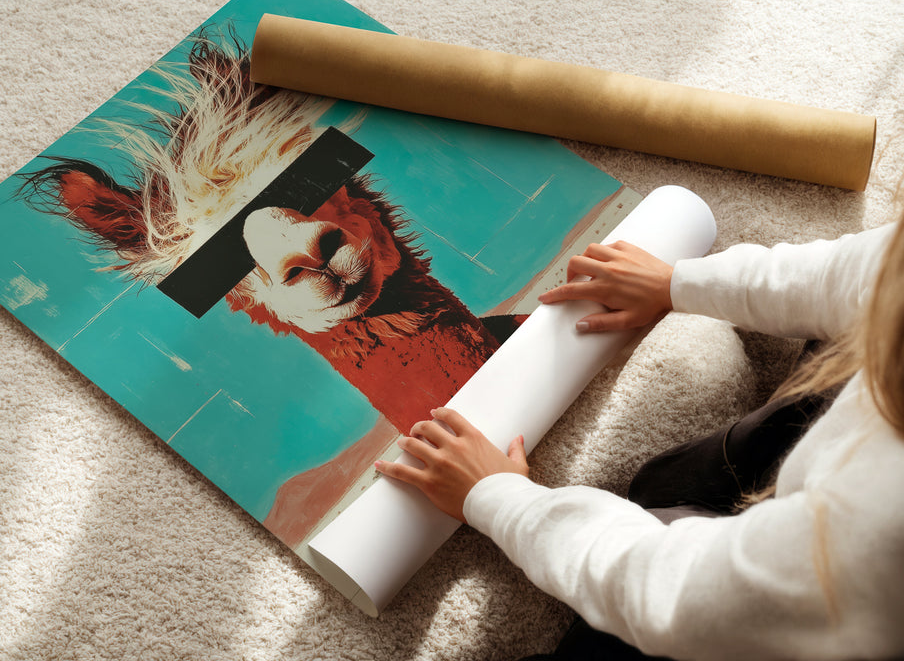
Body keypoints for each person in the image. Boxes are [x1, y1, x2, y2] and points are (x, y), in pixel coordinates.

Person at [375, 215, 904, 660]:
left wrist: (498, 498)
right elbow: (862, 272)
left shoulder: (878, 530)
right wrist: (677, 283)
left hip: (820, 610)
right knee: (670, 483)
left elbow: (676, 594)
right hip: (832, 487)